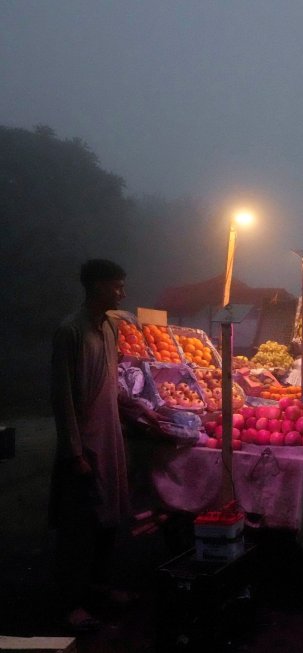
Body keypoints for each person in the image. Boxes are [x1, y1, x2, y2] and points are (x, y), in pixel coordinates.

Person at [49, 259, 154, 631]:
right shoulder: (70, 332)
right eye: (116, 286)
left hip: (110, 436)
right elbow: (62, 398)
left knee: (108, 519)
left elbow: (113, 383)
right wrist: (74, 453)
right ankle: (71, 604)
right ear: (95, 287)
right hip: (85, 442)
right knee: (79, 524)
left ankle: (100, 587)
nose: (122, 293)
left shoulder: (108, 328)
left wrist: (138, 407)